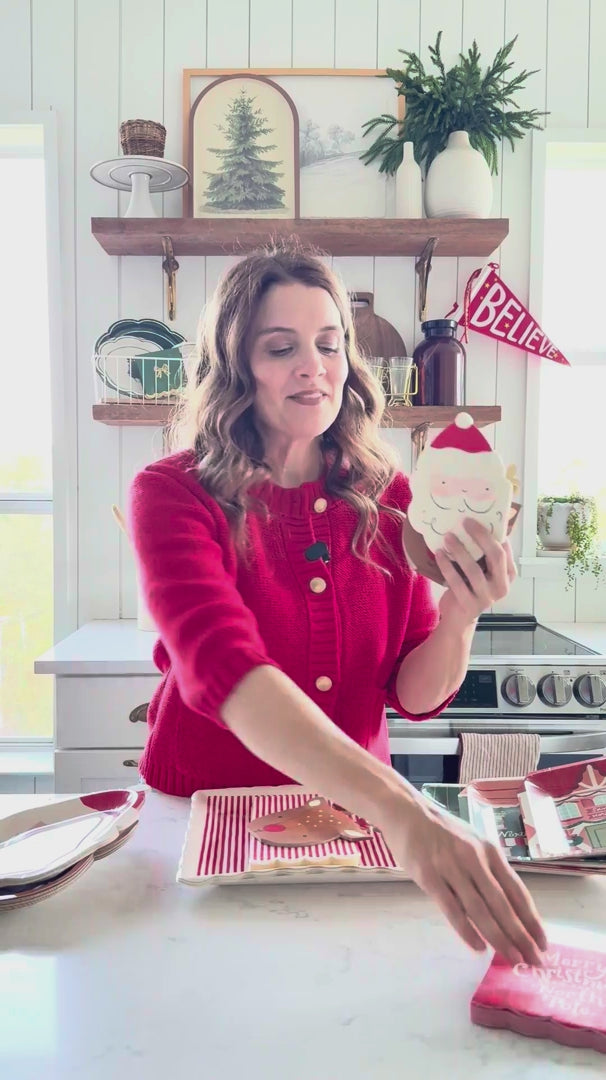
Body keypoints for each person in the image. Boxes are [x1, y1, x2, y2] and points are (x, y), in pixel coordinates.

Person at [128, 244, 546, 968]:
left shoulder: (388, 498)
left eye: (328, 344)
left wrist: (462, 614)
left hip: (351, 827)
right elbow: (223, 668)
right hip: (200, 822)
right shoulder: (172, 494)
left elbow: (411, 693)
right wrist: (406, 811)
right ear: (235, 366)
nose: (313, 366)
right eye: (279, 346)